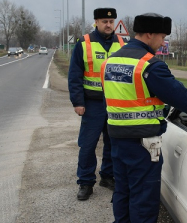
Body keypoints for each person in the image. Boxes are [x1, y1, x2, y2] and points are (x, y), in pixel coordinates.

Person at [100, 13, 187, 222]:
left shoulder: (110, 61)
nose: (163, 43)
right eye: (162, 37)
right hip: (142, 143)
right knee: (143, 197)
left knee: (123, 191)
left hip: (116, 138)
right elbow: (182, 97)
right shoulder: (149, 65)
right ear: (149, 34)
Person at [68, 7, 126, 201]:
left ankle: (107, 177)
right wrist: (78, 101)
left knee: (113, 143)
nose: (108, 25)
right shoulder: (84, 44)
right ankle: (85, 182)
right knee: (87, 145)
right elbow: (74, 75)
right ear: (96, 23)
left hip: (114, 104)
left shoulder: (122, 43)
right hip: (92, 104)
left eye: (111, 22)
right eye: (104, 21)